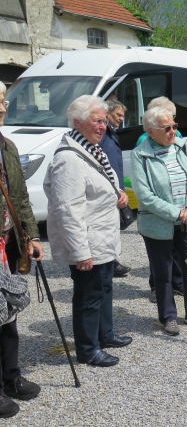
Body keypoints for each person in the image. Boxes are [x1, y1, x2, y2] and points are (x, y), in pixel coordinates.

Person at [44, 95, 132, 368]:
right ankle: (87, 349)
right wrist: (80, 252)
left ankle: (105, 335)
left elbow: (100, 185)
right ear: (78, 122)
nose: (103, 126)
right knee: (89, 296)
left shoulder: (92, 150)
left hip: (102, 238)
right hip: (88, 242)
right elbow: (67, 210)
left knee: (104, 289)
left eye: (105, 121)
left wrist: (117, 194)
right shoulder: (69, 159)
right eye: (98, 120)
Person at [131, 107, 187, 336]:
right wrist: (178, 213)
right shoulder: (140, 155)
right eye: (166, 128)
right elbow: (145, 196)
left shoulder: (181, 146)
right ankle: (169, 317)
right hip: (158, 226)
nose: (173, 132)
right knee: (164, 273)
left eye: (174, 126)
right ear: (150, 131)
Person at [0, 82, 44, 418]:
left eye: (3, 101)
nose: (3, 108)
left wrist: (30, 235)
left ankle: (11, 377)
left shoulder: (8, 146)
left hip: (8, 244)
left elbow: (21, 197)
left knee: (9, 313)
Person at [136, 97, 184, 302]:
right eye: (166, 124)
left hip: (180, 213)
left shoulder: (178, 139)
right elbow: (146, 191)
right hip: (158, 213)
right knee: (159, 258)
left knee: (177, 254)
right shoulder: (143, 145)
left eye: (173, 121)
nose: (171, 128)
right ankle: (157, 287)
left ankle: (178, 285)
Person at [99, 99, 131, 277]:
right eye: (118, 115)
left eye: (123, 116)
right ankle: (110, 262)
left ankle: (111, 260)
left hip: (115, 185)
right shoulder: (102, 134)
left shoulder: (111, 133)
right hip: (107, 187)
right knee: (107, 225)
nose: (121, 119)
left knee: (113, 225)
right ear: (107, 113)